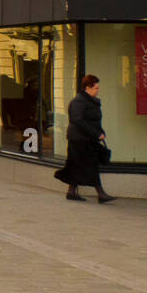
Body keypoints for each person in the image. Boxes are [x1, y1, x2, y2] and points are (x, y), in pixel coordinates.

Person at [54, 74, 116, 203]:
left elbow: (93, 120)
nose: (98, 90)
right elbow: (78, 120)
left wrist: (100, 132)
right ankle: (101, 193)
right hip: (79, 139)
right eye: (96, 88)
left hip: (85, 138)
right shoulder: (79, 102)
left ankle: (71, 191)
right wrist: (96, 133)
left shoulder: (88, 101)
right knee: (90, 165)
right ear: (88, 88)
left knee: (77, 165)